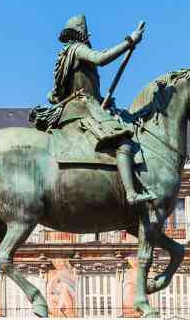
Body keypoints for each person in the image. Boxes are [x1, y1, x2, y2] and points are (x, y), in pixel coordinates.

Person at [31, 15, 151, 204]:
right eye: (86, 33)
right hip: (83, 110)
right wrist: (129, 41)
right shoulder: (78, 49)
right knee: (123, 143)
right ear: (82, 33)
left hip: (74, 108)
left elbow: (58, 93)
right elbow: (101, 58)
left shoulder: (65, 55)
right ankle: (131, 193)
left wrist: (104, 100)